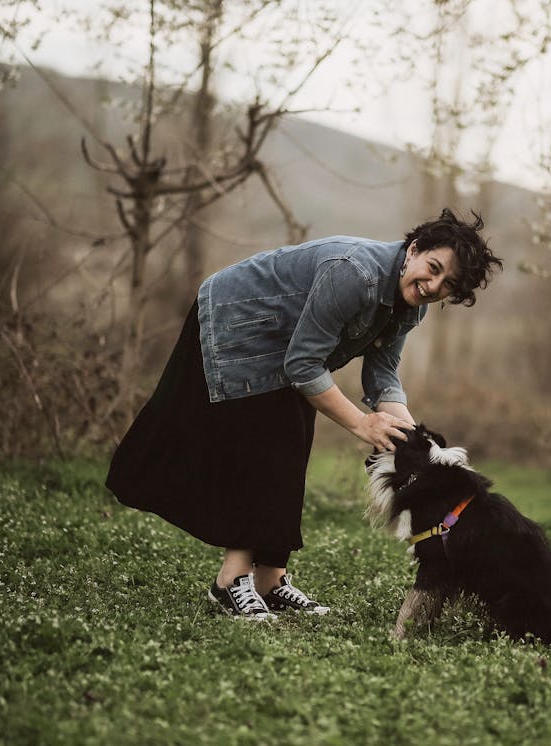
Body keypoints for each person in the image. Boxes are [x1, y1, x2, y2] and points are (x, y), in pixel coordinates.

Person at [106, 208, 502, 621]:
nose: (433, 285)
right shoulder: (354, 274)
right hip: (236, 321)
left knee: (293, 445)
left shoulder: (410, 305)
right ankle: (230, 581)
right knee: (264, 446)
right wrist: (361, 423)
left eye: (447, 285)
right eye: (433, 268)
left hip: (292, 347)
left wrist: (409, 432)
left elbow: (382, 373)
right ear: (415, 249)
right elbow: (302, 366)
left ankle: (270, 580)